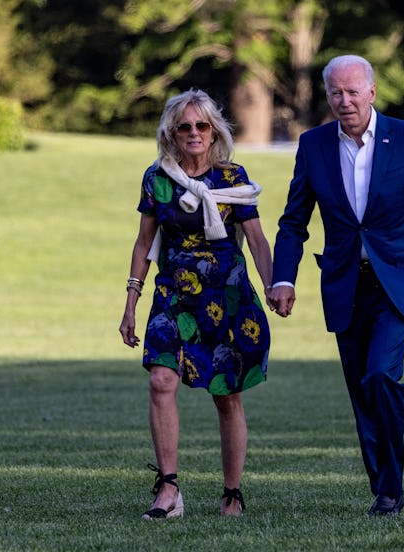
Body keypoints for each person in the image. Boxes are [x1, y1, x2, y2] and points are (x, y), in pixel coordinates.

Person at [268, 55, 404, 517]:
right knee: (360, 388)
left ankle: (391, 490)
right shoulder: (313, 145)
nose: (345, 100)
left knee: (380, 375)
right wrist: (283, 276)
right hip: (344, 284)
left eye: (353, 91)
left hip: (400, 281)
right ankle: (384, 487)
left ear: (372, 92)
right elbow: (294, 220)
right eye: (336, 92)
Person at [119, 89, 273, 519]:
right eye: (184, 126)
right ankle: (168, 490)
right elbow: (143, 243)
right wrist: (131, 301)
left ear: (214, 130)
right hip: (173, 293)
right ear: (171, 131)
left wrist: (276, 285)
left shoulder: (232, 178)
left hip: (227, 294)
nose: (193, 133)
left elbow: (258, 242)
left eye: (201, 126)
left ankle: (232, 493)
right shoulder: (158, 179)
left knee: (226, 395)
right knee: (161, 382)